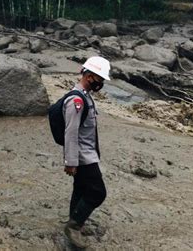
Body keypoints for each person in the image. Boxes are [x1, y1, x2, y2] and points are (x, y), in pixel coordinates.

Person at [63, 56, 110, 248]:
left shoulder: (85, 96)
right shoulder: (76, 100)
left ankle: (74, 221)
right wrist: (71, 161)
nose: (101, 84)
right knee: (98, 192)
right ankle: (74, 226)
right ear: (90, 76)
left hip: (87, 153)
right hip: (82, 156)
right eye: (100, 80)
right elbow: (71, 133)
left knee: (81, 188)